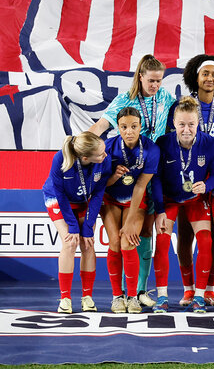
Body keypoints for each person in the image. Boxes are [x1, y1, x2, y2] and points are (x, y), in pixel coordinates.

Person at [88, 54, 175, 309]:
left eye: (159, 81)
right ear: (140, 76)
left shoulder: (166, 97)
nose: (155, 85)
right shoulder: (123, 100)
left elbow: (186, 108)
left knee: (144, 235)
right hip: (126, 173)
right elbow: (100, 127)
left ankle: (139, 292)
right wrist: (77, 147)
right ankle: (121, 294)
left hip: (151, 169)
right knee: (122, 240)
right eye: (151, 80)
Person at [152, 97, 214, 313]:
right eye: (181, 124)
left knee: (206, 241)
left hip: (195, 200)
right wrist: (160, 210)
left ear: (198, 122)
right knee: (162, 242)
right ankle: (162, 297)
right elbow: (155, 179)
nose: (186, 129)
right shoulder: (163, 143)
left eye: (191, 124)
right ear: (174, 122)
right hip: (170, 199)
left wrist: (206, 185)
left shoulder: (209, 143)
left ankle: (199, 295)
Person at [43, 131, 112, 313]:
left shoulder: (105, 161)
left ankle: (87, 297)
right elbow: (59, 193)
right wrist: (73, 226)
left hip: (85, 200)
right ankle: (65, 298)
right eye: (100, 154)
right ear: (85, 157)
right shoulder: (60, 159)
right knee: (69, 242)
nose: (105, 156)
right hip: (59, 199)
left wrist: (88, 227)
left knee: (88, 244)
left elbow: (98, 194)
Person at [102, 108, 159, 313]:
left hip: (136, 200)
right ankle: (117, 297)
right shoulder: (108, 147)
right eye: (124, 127)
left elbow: (140, 186)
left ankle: (133, 296)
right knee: (115, 243)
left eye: (134, 126)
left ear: (140, 127)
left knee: (128, 241)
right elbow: (101, 184)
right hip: (110, 199)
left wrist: (129, 221)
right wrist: (114, 177)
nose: (129, 131)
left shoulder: (151, 150)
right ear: (118, 128)